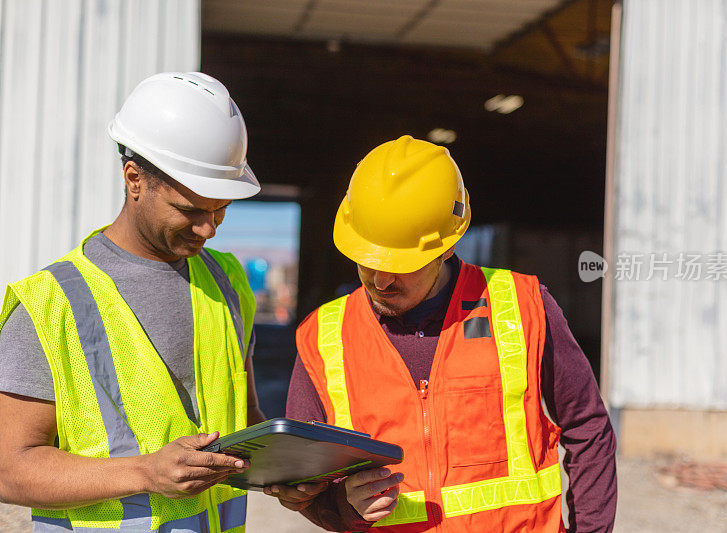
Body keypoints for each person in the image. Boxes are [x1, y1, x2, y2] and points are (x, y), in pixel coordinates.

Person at [0, 72, 294, 532]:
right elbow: (9, 468)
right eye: (191, 209)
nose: (209, 229)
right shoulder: (49, 303)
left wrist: (287, 470)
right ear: (134, 179)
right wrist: (144, 472)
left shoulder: (228, 281)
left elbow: (246, 416)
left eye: (221, 210)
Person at [281, 135, 617, 531]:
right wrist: (345, 505)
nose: (380, 279)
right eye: (366, 260)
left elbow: (587, 428)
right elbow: (302, 485)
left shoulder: (523, 306)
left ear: (447, 246)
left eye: (402, 264)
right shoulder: (323, 336)